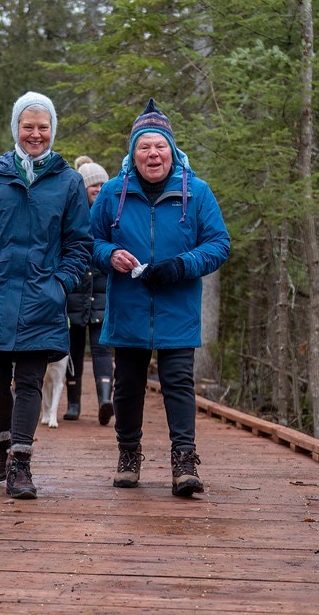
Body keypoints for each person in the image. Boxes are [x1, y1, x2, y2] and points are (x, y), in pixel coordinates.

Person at [90, 98, 230, 497]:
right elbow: (88, 241)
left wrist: (181, 265)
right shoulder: (114, 192)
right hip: (129, 305)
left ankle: (184, 461)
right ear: (132, 154)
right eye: (144, 148)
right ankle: (128, 456)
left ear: (173, 149)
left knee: (178, 383)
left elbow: (219, 243)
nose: (153, 154)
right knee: (128, 385)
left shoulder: (197, 192)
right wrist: (109, 255)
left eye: (160, 146)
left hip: (177, 306)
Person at [0, 91, 92, 499]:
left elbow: (79, 244)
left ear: (53, 130)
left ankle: (20, 463)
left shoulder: (69, 182)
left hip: (42, 298)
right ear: (16, 128)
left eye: (43, 127)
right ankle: (0, 437)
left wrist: (60, 283)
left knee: (30, 382)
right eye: (28, 126)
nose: (36, 134)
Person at [63, 156, 114, 426]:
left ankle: (106, 399)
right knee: (73, 349)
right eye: (92, 185)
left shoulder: (112, 216)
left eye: (102, 185)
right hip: (74, 294)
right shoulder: (73, 216)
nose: (98, 189)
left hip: (103, 293)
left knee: (102, 348)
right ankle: (73, 404)